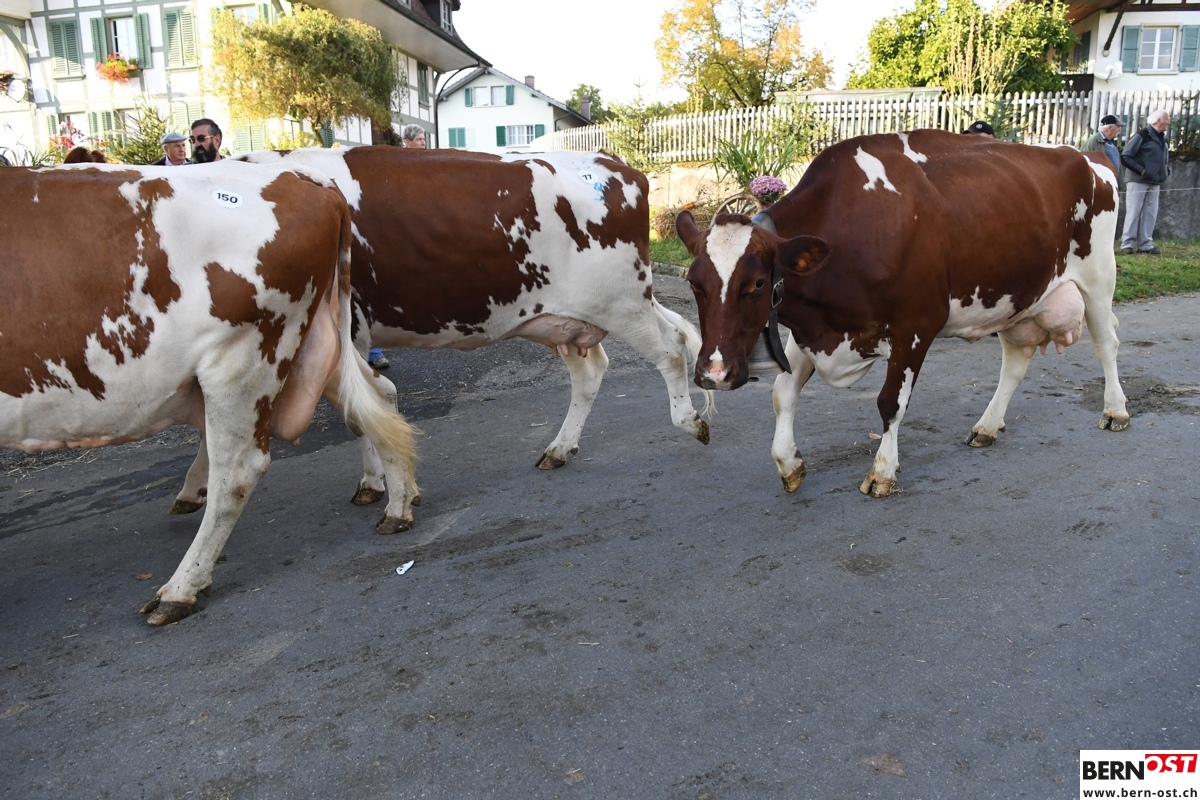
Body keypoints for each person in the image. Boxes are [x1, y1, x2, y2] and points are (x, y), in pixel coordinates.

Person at [367, 125, 427, 369]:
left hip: (415, 229)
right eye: (420, 139)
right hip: (392, 232)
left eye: (424, 139)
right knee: (379, 289)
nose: (423, 143)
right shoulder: (395, 163)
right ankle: (373, 351)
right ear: (407, 141)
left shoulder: (427, 164)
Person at [1120, 109, 1170, 255]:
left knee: (1150, 213)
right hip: (1138, 181)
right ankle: (1127, 244)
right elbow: (1126, 156)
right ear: (1158, 121)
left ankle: (1146, 245)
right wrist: (1142, 170)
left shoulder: (1163, 138)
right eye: (1166, 119)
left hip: (1155, 181)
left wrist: (1165, 172)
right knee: (1134, 212)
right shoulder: (1142, 135)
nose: (1168, 122)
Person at [1083, 115, 1124, 180]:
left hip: (1112, 182)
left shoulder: (1110, 142)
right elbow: (1084, 161)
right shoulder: (1094, 141)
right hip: (1101, 183)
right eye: (1118, 127)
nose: (1119, 130)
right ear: (1110, 128)